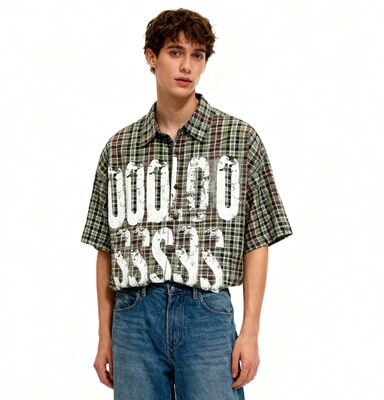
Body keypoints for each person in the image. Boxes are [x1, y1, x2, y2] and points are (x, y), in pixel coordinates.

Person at [80, 8, 293, 400]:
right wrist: (103, 334)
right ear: (151, 56)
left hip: (206, 312)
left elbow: (258, 240)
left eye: (197, 55)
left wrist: (250, 331)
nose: (187, 66)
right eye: (175, 52)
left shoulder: (239, 139)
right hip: (134, 317)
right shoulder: (119, 148)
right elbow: (105, 248)